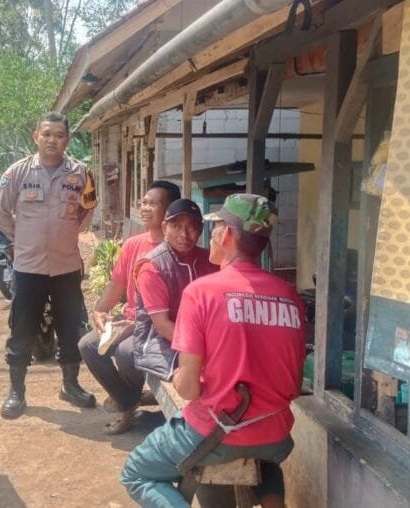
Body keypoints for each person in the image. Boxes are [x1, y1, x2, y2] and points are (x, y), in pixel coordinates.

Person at [121, 194, 306, 508]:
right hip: (276, 435)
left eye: (216, 226)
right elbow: (294, 386)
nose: (211, 234)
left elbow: (189, 389)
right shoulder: (289, 295)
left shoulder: (202, 292)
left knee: (136, 474)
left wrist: (184, 374)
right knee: (264, 457)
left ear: (228, 235)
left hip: (218, 431)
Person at [0, 111, 98, 419]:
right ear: (36, 136)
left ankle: (70, 385)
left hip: (66, 267)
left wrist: (70, 234)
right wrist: (22, 238)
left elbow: (88, 209)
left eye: (59, 135)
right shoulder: (17, 173)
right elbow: (0, 213)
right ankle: (16, 392)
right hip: (28, 268)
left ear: (67, 139)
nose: (52, 140)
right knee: (21, 328)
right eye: (47, 134)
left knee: (71, 326)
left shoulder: (81, 174)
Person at [77, 181, 182, 433]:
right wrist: (100, 312)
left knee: (127, 351)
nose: (145, 208)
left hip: (161, 323)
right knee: (88, 345)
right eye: (144, 202)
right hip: (130, 319)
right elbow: (117, 285)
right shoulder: (133, 244)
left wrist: (135, 325)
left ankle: (126, 407)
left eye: (153, 203)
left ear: (169, 210)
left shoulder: (177, 248)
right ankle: (128, 399)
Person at [124, 198, 218, 433]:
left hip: (200, 338)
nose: (184, 234)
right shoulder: (152, 266)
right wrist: (203, 350)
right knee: (192, 379)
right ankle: (188, 432)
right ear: (165, 227)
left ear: (200, 229)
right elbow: (162, 324)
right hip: (159, 339)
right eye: (176, 226)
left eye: (192, 227)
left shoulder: (209, 260)